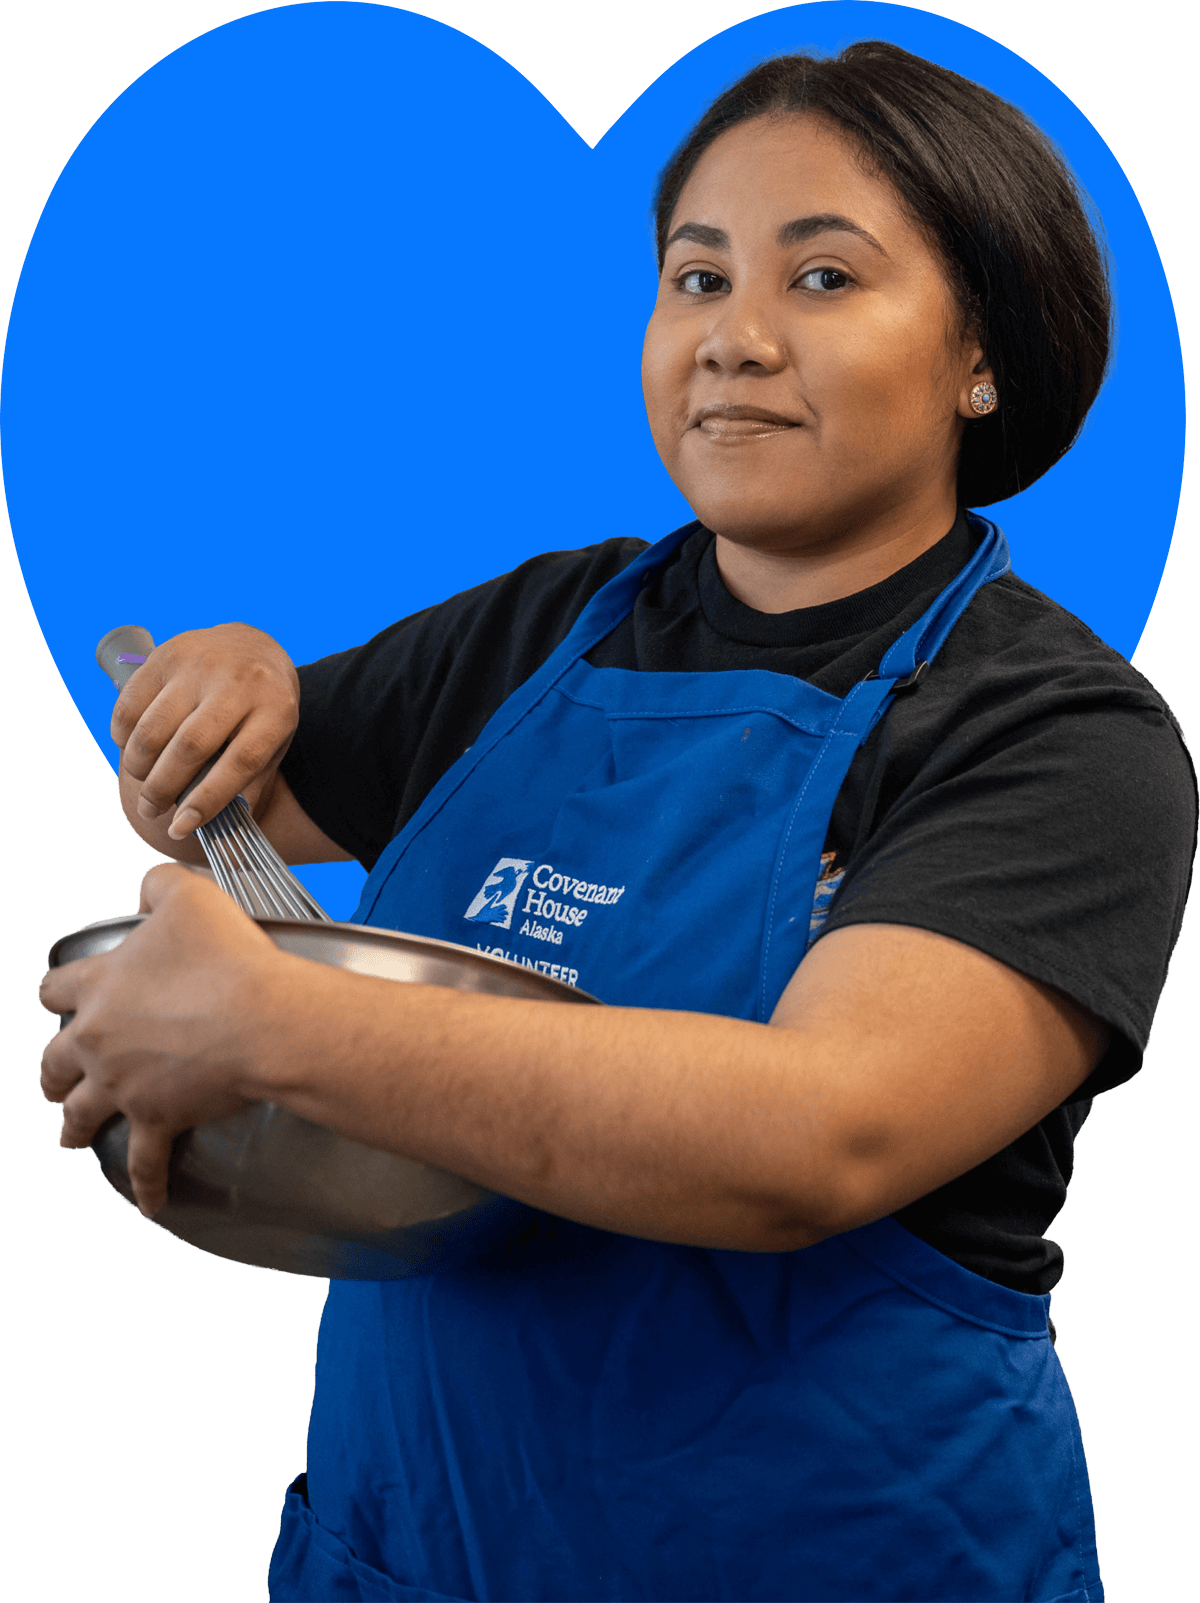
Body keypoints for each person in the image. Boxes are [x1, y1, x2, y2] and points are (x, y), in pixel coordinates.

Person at [39, 40, 1194, 1603]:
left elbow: (814, 1137)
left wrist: (275, 1024)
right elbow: (230, 806)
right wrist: (223, 683)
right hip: (415, 1555)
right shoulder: (544, 629)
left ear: (982, 355)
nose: (736, 340)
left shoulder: (1058, 735)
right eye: (697, 279)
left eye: (825, 278)